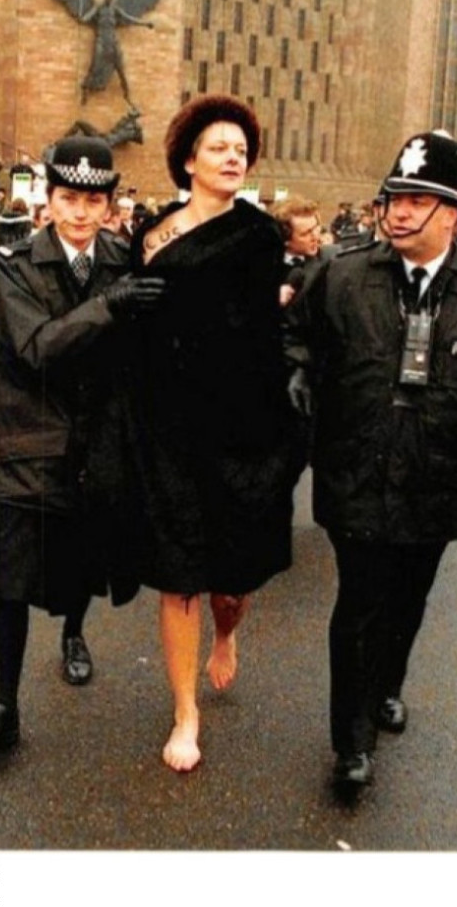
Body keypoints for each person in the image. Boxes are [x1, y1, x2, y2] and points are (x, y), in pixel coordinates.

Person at [285, 130, 457, 800]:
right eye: (394, 199)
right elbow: (294, 334)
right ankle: (350, 742)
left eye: (418, 200)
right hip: (355, 468)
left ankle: (387, 685)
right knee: (357, 603)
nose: (400, 212)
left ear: (453, 216)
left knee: (407, 597)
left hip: (439, 477)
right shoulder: (341, 272)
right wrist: (294, 371)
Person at [109, 94, 297, 773]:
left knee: (231, 581)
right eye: (218, 147)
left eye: (240, 149)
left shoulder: (258, 237)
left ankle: (227, 635)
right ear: (187, 160)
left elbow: (257, 340)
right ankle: (184, 711)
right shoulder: (151, 233)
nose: (232, 157)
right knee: (177, 574)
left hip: (241, 426)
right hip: (166, 427)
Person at [0, 136, 165, 756]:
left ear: (110, 205)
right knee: (10, 582)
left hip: (97, 446)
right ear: (47, 201)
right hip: (29, 445)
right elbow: (40, 349)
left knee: (82, 563)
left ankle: (74, 633)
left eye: (93, 200)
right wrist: (110, 307)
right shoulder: (13, 267)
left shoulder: (123, 261)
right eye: (68, 198)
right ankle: (5, 705)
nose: (80, 212)